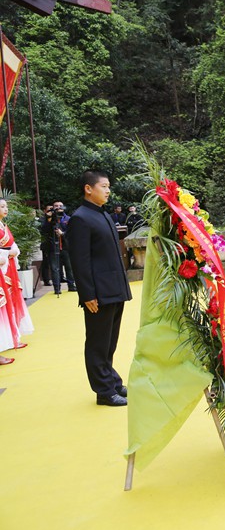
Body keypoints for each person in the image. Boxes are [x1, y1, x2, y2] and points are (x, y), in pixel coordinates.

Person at [67, 170, 133, 407]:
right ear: (88, 188)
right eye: (103, 186)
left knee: (110, 341)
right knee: (97, 342)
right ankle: (104, 391)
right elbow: (80, 260)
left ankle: (112, 381)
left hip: (114, 287)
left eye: (108, 187)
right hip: (98, 293)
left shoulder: (102, 215)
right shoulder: (80, 218)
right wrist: (87, 295)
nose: (107, 190)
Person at [0, 199, 35, 365]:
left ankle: (13, 338)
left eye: (6, 206)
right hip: (3, 269)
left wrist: (12, 252)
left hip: (8, 269)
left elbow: (12, 245)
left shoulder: (3, 225)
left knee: (10, 304)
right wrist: (7, 253)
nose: (5, 209)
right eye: (1, 206)